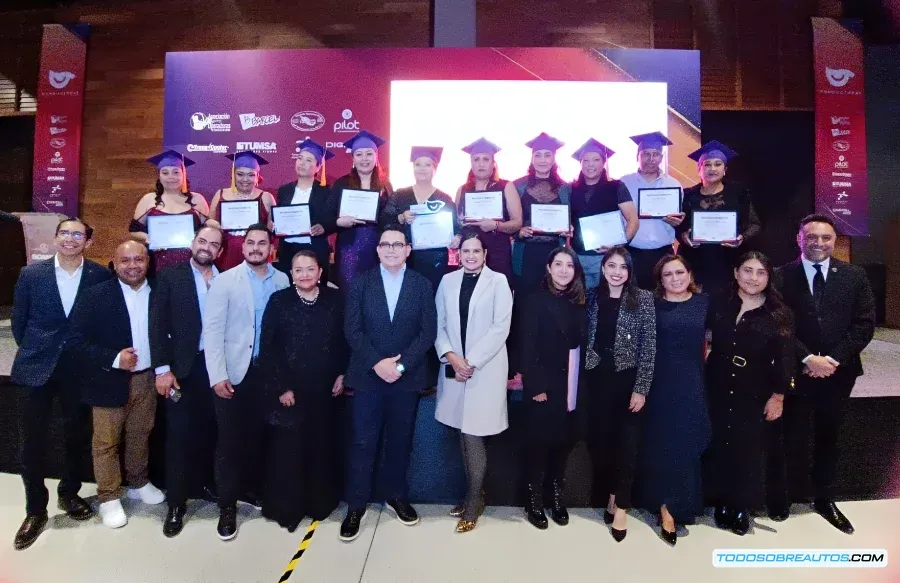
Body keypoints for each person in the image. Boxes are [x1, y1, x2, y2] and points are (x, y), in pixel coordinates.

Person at [10, 218, 111, 550]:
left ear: (88, 242)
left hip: (78, 371)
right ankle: (35, 510)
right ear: (55, 239)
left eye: (77, 234)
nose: (70, 239)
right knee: (31, 442)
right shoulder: (31, 275)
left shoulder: (99, 275)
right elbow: (20, 324)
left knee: (76, 436)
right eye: (65, 233)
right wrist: (40, 350)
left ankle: (69, 493)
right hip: (36, 369)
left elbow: (99, 324)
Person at [776, 214, 875, 534]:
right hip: (796, 368)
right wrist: (807, 357)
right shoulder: (779, 276)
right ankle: (786, 494)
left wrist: (831, 359)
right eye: (811, 236)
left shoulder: (854, 275)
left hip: (839, 371)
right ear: (799, 238)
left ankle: (824, 497)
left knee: (828, 435)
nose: (818, 243)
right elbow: (778, 324)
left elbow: (864, 324)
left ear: (835, 241)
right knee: (791, 433)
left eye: (826, 237)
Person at [340, 226, 437, 542]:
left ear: (408, 249)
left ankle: (396, 496)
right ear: (378, 250)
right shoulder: (361, 282)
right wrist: (377, 363)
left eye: (398, 244)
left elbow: (428, 333)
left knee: (400, 441)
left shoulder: (422, 285)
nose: (392, 249)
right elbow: (352, 330)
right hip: (368, 377)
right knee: (362, 443)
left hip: (405, 378)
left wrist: (400, 364)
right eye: (386, 245)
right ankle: (357, 504)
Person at [69, 241, 165, 529]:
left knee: (141, 433)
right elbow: (75, 342)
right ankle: (109, 496)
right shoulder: (95, 296)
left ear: (148, 261)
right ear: (114, 262)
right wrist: (113, 358)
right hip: (108, 379)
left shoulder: (159, 292)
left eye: (139, 259)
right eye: (126, 260)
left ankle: (138, 482)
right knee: (106, 442)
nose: (133, 265)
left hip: (148, 378)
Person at [204, 223, 290, 541]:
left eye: (262, 243)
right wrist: (218, 375)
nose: (255, 248)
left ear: (272, 247)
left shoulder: (283, 280)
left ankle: (253, 491)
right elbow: (212, 332)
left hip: (269, 375)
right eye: (250, 242)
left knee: (262, 438)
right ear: (242, 247)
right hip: (234, 374)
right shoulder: (225, 281)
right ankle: (227, 506)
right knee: (229, 442)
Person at [258, 250, 347, 532]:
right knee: (290, 450)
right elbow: (268, 348)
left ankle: (320, 503)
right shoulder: (279, 301)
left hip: (325, 389)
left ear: (321, 272)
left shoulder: (336, 300)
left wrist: (343, 374)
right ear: (291, 274)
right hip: (290, 392)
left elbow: (345, 342)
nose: (305, 274)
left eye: (311, 269)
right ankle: (290, 508)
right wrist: (281, 387)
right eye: (299, 270)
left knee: (321, 446)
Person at [706, 251, 794, 536]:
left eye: (760, 272)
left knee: (748, 449)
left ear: (769, 278)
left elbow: (785, 358)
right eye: (747, 270)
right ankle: (721, 501)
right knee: (720, 444)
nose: (753, 278)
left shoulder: (779, 313)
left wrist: (778, 395)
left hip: (754, 388)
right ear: (735, 273)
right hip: (716, 383)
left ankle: (741, 505)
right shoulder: (719, 302)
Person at [434, 232, 513, 533]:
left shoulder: (499, 282)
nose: (470, 255)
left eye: (476, 251)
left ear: (485, 254)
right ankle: (475, 495)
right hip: (455, 368)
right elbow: (439, 324)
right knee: (462, 433)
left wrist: (471, 361)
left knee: (474, 434)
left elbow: (500, 327)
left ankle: (473, 501)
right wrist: (452, 356)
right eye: (465, 250)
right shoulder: (447, 282)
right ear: (459, 253)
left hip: (484, 368)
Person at [149, 225, 224, 537]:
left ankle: (205, 485)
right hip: (181, 370)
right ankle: (177, 503)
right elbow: (156, 324)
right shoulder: (170, 276)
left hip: (217, 370)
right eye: (202, 241)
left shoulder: (226, 279)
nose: (206, 247)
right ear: (193, 243)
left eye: (213, 244)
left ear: (220, 251)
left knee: (212, 431)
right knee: (178, 436)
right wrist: (162, 370)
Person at [636, 254, 711, 546]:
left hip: (693, 382)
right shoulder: (651, 305)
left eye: (680, 272)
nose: (675, 278)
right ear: (660, 279)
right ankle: (665, 507)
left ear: (689, 274)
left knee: (690, 441)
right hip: (658, 383)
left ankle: (686, 504)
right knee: (662, 444)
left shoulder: (705, 303)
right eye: (668, 274)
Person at [581, 246, 655, 542]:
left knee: (627, 445)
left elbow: (649, 348)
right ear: (602, 269)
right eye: (611, 266)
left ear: (630, 271)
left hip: (628, 379)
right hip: (597, 377)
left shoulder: (644, 299)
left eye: (622, 267)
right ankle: (611, 493)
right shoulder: (590, 297)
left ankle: (621, 506)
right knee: (601, 443)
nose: (616, 272)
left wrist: (641, 389)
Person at [519, 247, 587, 530]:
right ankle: (534, 502)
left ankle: (557, 499)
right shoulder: (534, 300)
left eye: (569, 265)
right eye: (557, 264)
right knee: (540, 446)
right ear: (548, 268)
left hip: (572, 383)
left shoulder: (581, 302)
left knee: (563, 444)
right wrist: (535, 385)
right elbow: (525, 345)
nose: (563, 270)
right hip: (545, 383)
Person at [677, 141, 761, 297]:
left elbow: (754, 224)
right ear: (699, 168)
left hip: (728, 260)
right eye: (707, 164)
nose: (712, 169)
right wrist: (683, 236)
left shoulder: (738, 193)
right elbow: (679, 227)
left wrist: (742, 238)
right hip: (695, 260)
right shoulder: (687, 195)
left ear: (725, 170)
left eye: (718, 164)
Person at [384, 146, 461, 293]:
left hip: (435, 261)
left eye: (428, 164)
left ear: (435, 168)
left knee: (433, 301)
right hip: (404, 259)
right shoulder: (400, 195)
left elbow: (456, 228)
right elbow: (385, 221)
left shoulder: (444, 199)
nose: (422, 169)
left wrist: (457, 237)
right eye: (418, 164)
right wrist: (401, 217)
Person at [328, 130, 393, 292]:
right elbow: (326, 217)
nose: (364, 159)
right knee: (350, 296)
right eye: (359, 154)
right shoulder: (341, 184)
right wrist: (338, 222)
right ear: (353, 158)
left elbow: (390, 218)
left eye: (369, 154)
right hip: (349, 250)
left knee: (375, 296)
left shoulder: (385, 185)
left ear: (376, 156)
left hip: (378, 250)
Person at [569, 139, 639, 288]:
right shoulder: (571, 189)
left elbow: (633, 220)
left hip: (608, 259)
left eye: (596, 159)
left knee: (605, 302)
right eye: (585, 160)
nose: (590, 164)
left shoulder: (616, 187)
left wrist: (617, 245)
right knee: (581, 303)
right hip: (578, 257)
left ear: (603, 162)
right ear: (580, 163)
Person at [130, 150, 214, 274]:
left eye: (176, 172)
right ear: (159, 176)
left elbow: (207, 230)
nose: (171, 177)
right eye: (165, 173)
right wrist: (148, 237)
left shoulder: (197, 199)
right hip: (158, 261)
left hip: (192, 263)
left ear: (183, 175)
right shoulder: (148, 200)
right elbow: (134, 230)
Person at [620, 132, 685, 289]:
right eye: (646, 154)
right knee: (633, 300)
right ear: (638, 156)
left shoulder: (674, 185)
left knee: (663, 299)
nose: (651, 159)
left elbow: (680, 219)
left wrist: (679, 222)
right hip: (632, 253)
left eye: (655, 154)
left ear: (661, 158)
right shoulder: (623, 183)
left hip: (663, 254)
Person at [454, 137, 523, 282]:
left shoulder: (505, 186)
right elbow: (457, 225)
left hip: (498, 254)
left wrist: (496, 225)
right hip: (470, 255)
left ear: (493, 163)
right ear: (471, 163)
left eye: (486, 159)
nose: (481, 164)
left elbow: (517, 222)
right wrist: (460, 223)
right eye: (476, 159)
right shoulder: (462, 190)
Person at [512, 133, 572, 295]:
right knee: (524, 301)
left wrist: (569, 228)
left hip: (554, 253)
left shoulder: (565, 188)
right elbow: (508, 219)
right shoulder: (517, 186)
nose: (542, 160)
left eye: (547, 155)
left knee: (552, 298)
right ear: (532, 159)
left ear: (554, 159)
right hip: (525, 252)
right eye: (537, 155)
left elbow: (571, 219)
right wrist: (519, 231)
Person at [274, 138, 336, 282]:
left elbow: (335, 220)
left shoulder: (326, 192)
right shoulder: (284, 191)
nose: (302, 163)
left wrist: (324, 227)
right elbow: (280, 218)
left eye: (309, 160)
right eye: (300, 158)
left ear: (318, 167)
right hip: (288, 251)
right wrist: (274, 225)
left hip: (315, 250)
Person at [209, 151, 277, 271]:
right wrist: (211, 224)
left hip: (256, 255)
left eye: (251, 175)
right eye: (240, 174)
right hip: (225, 255)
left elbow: (273, 232)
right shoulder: (220, 194)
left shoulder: (266, 197)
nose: (245, 179)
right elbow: (210, 224)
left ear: (257, 177)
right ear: (233, 174)